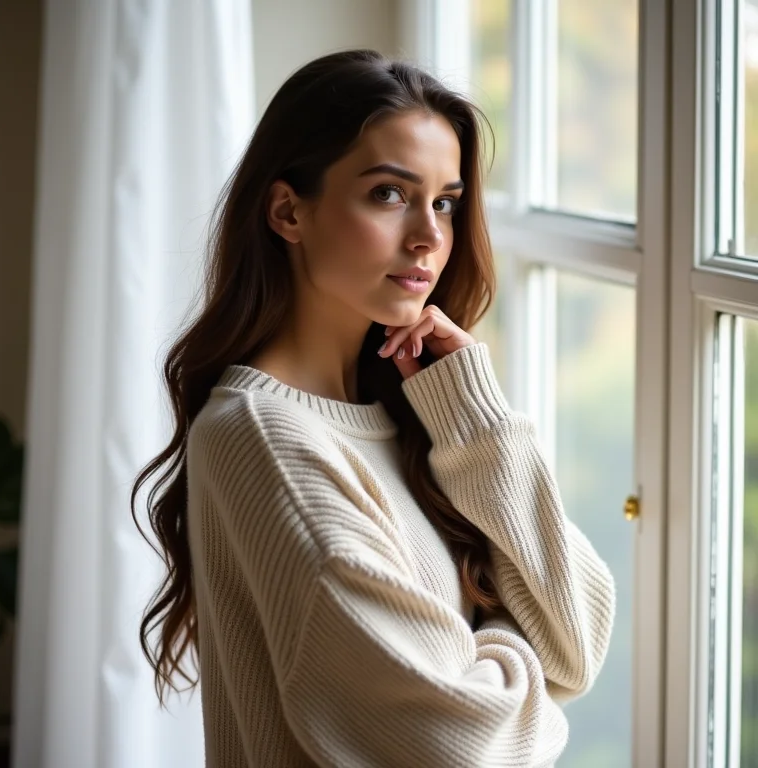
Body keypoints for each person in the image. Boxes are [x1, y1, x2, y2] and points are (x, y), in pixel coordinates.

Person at [131, 48, 616, 768]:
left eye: (445, 202)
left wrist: (472, 415)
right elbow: (461, 746)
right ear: (288, 211)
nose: (428, 237)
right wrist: (516, 645)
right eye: (389, 194)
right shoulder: (265, 442)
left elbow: (576, 640)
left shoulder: (416, 413)